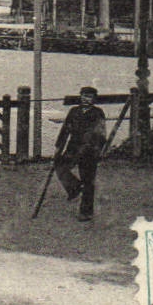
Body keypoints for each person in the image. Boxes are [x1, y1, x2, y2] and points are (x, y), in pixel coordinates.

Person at [55, 86, 108, 222]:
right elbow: (65, 129)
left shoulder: (98, 113)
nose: (86, 99)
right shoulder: (74, 111)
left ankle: (86, 212)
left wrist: (98, 150)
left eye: (89, 97)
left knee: (88, 181)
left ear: (94, 99)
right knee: (60, 166)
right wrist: (58, 147)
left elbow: (101, 134)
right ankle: (75, 188)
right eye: (84, 96)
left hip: (90, 151)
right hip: (73, 148)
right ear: (80, 97)